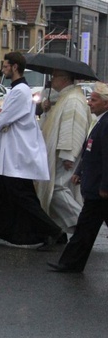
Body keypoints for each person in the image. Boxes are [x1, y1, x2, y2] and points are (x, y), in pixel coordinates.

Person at [0, 52, 62, 248]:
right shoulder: (16, 90)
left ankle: (54, 232)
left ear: (15, 67)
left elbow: (5, 118)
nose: (3, 69)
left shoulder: (21, 91)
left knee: (22, 197)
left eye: (5, 66)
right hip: (6, 154)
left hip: (15, 155)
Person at [48, 83, 108, 273]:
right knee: (85, 228)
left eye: (94, 100)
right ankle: (71, 263)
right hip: (94, 187)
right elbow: (89, 149)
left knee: (85, 227)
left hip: (100, 189)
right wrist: (79, 171)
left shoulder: (106, 124)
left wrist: (105, 185)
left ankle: (70, 262)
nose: (89, 103)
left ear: (106, 104)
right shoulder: (99, 121)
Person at [34, 70, 91, 238]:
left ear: (65, 79)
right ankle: (58, 231)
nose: (53, 80)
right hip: (56, 154)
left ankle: (82, 224)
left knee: (57, 189)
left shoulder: (73, 99)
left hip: (63, 156)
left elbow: (72, 127)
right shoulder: (65, 96)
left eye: (56, 77)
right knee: (55, 190)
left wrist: (68, 154)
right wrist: (46, 108)